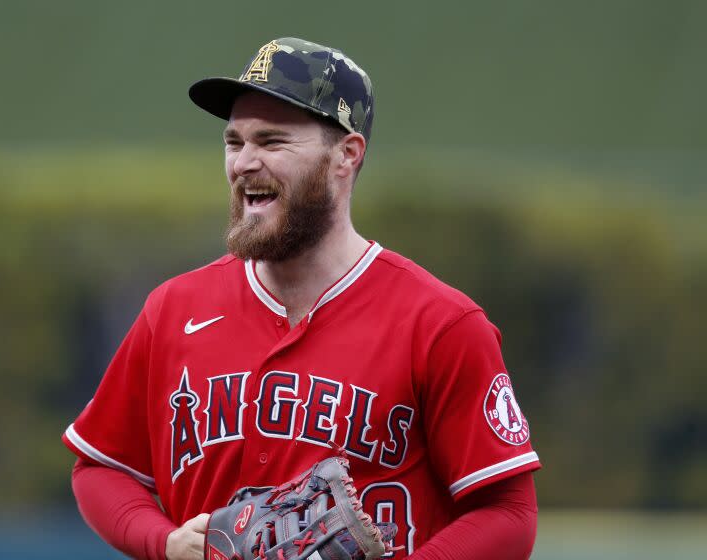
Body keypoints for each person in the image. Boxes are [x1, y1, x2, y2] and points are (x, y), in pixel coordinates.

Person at [63, 37, 541, 560]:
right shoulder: (175, 310)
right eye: (234, 142)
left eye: (272, 141)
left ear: (346, 155)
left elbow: (509, 515)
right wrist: (164, 542)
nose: (244, 162)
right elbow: (102, 467)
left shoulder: (440, 324)